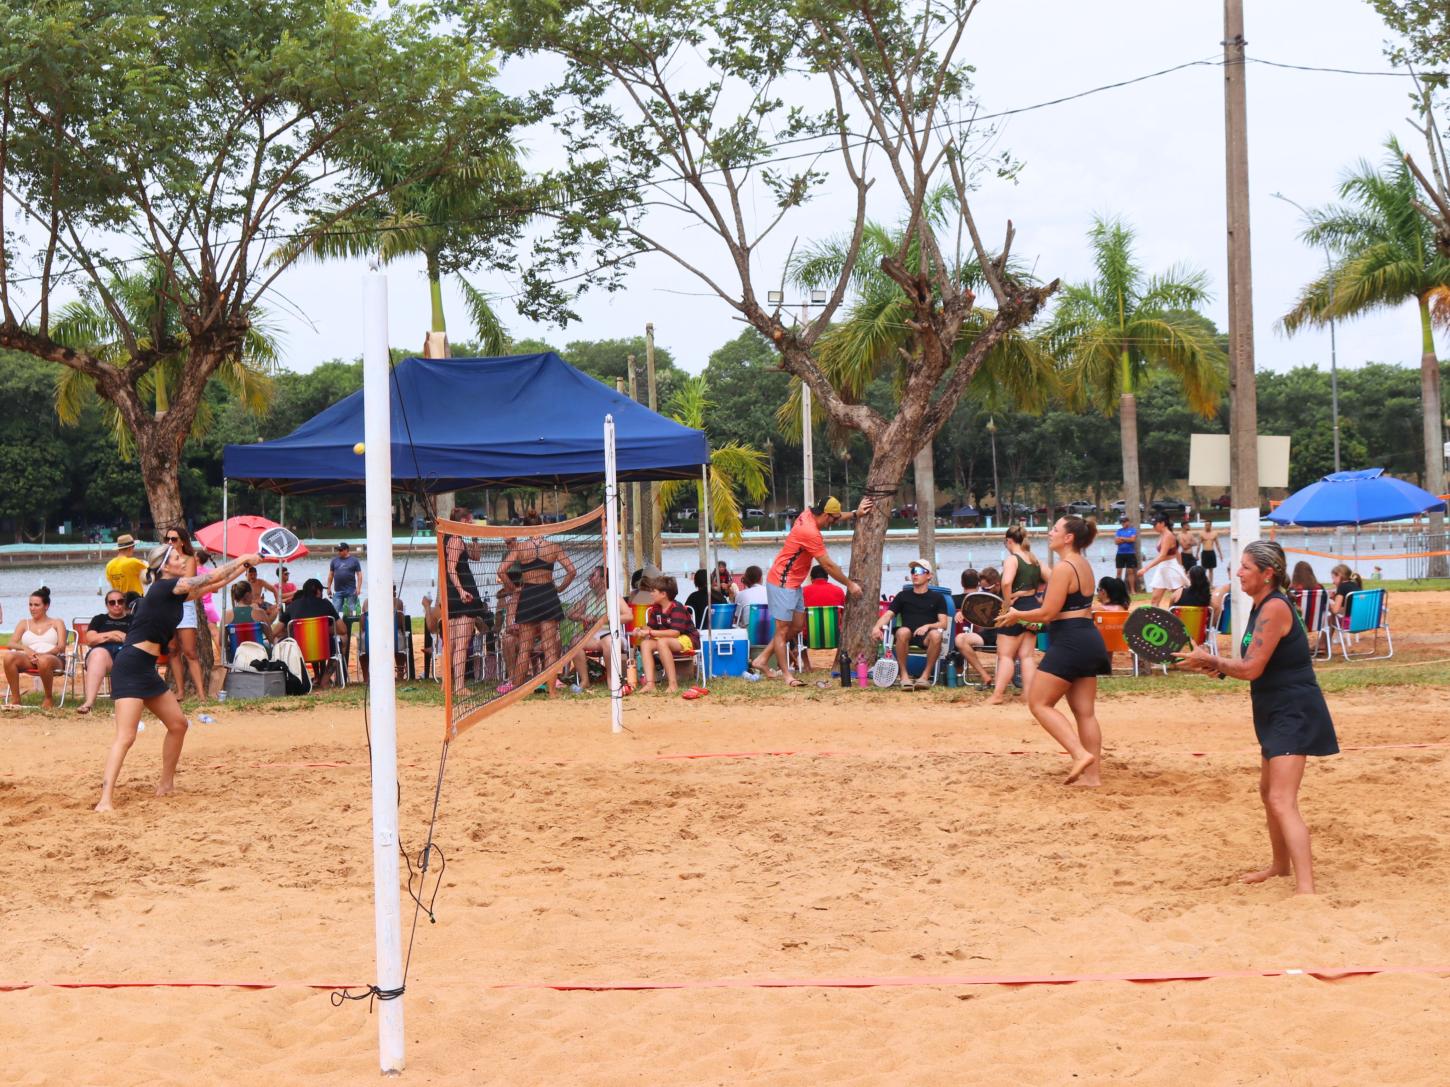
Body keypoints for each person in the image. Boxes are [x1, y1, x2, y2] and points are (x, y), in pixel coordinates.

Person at [1176, 541, 1339, 893]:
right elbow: (1254, 666)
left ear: (1267, 574)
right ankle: (1281, 867)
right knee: (1269, 793)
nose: (1237, 573)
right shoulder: (1260, 606)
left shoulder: (1274, 608)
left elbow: (1251, 668)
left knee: (1282, 799)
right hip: (1273, 706)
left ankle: (1307, 889)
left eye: (1245, 567)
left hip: (1292, 710)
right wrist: (1211, 665)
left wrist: (1214, 659)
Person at [95, 549, 258, 811]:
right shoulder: (163, 587)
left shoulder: (174, 593)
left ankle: (166, 784)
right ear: (164, 567)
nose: (183, 560)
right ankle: (105, 800)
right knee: (125, 737)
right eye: (177, 558)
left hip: (146, 668)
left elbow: (216, 583)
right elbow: (211, 575)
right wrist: (241, 558)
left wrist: (247, 563)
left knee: (179, 725)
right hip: (130, 666)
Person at [999, 517, 1108, 786]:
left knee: (1038, 703)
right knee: (1085, 712)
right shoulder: (1083, 565)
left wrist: (1017, 614)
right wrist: (1026, 617)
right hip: (1088, 637)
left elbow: (1048, 612)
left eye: (1056, 529)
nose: (1050, 533)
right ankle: (1092, 778)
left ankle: (1079, 754)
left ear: (1069, 537)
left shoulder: (1063, 568)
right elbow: (1068, 609)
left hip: (1070, 641)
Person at [752, 495, 872, 687]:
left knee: (797, 626)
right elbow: (828, 566)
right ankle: (787, 676)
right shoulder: (810, 532)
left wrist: (856, 514)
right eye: (832, 519)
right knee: (782, 631)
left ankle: (762, 659)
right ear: (825, 515)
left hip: (794, 583)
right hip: (782, 582)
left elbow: (837, 515)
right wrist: (849, 584)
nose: (833, 523)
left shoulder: (809, 514)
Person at [497, 512, 577, 696]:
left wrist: (513, 589)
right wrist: (560, 588)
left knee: (524, 647)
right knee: (549, 647)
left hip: (529, 596)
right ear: (541, 525)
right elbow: (572, 571)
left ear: (526, 527)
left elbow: (501, 571)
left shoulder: (520, 548)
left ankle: (517, 692)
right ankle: (551, 691)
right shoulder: (553, 547)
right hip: (548, 594)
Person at [872, 560, 949, 690]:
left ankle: (925, 677)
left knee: (936, 635)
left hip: (926, 636)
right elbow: (888, 615)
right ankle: (904, 675)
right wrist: (876, 627)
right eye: (913, 571)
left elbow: (944, 623)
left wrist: (928, 626)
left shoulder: (938, 598)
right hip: (906, 634)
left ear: (929, 575)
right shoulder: (903, 596)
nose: (915, 574)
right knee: (902, 632)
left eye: (919, 571)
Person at [988, 525, 1042, 705]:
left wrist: (1007, 602)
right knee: (1026, 655)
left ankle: (997, 695)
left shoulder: (1012, 559)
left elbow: (1006, 582)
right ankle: (1029, 694)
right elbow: (1051, 578)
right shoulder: (1033, 559)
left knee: (1005, 654)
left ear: (1009, 541)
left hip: (1015, 607)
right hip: (1032, 606)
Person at [161, 527, 208, 701]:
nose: (170, 543)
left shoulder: (189, 560)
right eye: (168, 539)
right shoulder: (163, 560)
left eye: (174, 539)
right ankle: (180, 691)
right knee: (172, 649)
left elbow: (187, 583)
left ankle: (201, 693)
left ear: (182, 541)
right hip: (167, 605)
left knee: (190, 651)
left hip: (185, 605)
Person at [1, 588, 68, 709]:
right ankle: (16, 699)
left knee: (44, 660)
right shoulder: (24, 623)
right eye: (30, 605)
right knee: (9, 657)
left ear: (46, 606)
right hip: (30, 659)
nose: (32, 608)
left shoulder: (57, 622)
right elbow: (11, 643)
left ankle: (48, 698)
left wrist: (43, 654)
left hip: (54, 659)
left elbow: (61, 647)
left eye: (37, 605)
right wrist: (26, 649)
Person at [444, 508, 487, 692]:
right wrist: (461, 591)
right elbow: (451, 568)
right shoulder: (455, 540)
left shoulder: (455, 538)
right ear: (462, 521)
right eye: (470, 521)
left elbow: (476, 556)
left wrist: (475, 537)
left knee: (453, 643)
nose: (472, 523)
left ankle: (447, 685)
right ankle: (459, 686)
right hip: (463, 596)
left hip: (455, 595)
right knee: (460, 644)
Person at [566, 566, 630, 692]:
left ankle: (612, 679)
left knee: (607, 640)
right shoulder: (588, 596)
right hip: (593, 636)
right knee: (575, 642)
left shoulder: (614, 596)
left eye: (592, 576)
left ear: (602, 579)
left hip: (612, 634)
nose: (589, 579)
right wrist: (584, 616)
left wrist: (607, 619)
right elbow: (571, 614)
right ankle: (585, 681)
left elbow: (629, 616)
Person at [636, 575, 699, 695]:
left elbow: (675, 633)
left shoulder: (677, 607)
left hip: (687, 639)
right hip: (667, 640)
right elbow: (651, 627)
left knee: (662, 642)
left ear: (663, 594)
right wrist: (640, 630)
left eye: (653, 591)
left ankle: (673, 684)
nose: (651, 594)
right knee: (645, 644)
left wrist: (649, 632)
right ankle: (650, 683)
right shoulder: (657, 608)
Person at [76, 591, 133, 714]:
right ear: (107, 605)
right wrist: (113, 634)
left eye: (120, 601)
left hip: (125, 653)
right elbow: (90, 639)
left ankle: (125, 700)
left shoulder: (133, 619)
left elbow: (136, 640)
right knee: (98, 654)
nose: (116, 605)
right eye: (112, 602)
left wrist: (103, 637)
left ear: (124, 603)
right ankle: (89, 702)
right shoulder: (99, 619)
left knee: (127, 655)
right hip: (103, 655)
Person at [281, 579, 344, 688]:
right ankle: (325, 679)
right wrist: (325, 629)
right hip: (323, 649)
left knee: (308, 640)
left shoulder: (293, 606)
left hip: (301, 652)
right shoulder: (325, 604)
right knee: (342, 639)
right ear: (318, 592)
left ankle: (311, 677)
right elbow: (343, 630)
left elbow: (276, 630)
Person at [951, 569, 993, 686]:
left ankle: (957, 673)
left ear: (961, 583)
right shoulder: (987, 600)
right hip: (982, 638)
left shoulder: (951, 600)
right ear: (979, 583)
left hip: (955, 640)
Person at [1141, 514, 1189, 607]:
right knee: (1155, 600)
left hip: (1170, 567)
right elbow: (1176, 553)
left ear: (1162, 523)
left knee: (1180, 597)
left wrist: (1146, 568)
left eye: (1155, 524)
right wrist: (1182, 566)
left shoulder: (1168, 536)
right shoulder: (1163, 535)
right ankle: (1155, 619)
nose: (1153, 527)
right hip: (1163, 567)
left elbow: (1162, 555)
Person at [327, 542, 363, 615]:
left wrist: (358, 588)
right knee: (334, 611)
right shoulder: (334, 561)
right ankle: (336, 625)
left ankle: (351, 624)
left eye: (340, 550)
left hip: (351, 591)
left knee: (352, 612)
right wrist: (329, 587)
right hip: (338, 591)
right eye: (338, 550)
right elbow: (331, 574)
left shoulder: (354, 560)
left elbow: (359, 575)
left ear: (346, 550)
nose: (339, 552)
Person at [1114, 516, 1140, 594]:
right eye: (1122, 522)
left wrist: (1122, 538)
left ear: (1128, 522)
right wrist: (1126, 539)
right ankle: (1118, 590)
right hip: (1120, 554)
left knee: (1130, 572)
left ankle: (1132, 590)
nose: (1124, 523)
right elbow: (1116, 542)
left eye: (1125, 521)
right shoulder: (1119, 531)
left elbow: (1132, 540)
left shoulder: (1132, 530)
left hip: (1130, 553)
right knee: (1119, 572)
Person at [1199, 520, 1223, 584]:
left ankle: (1211, 584)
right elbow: (1199, 544)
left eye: (1208, 525)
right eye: (1205, 525)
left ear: (1210, 526)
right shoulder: (1201, 533)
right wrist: (1197, 554)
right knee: (1203, 569)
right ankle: (1204, 583)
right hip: (1204, 552)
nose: (1206, 526)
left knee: (1211, 570)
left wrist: (1220, 554)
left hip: (1211, 552)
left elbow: (1217, 545)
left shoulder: (1214, 533)